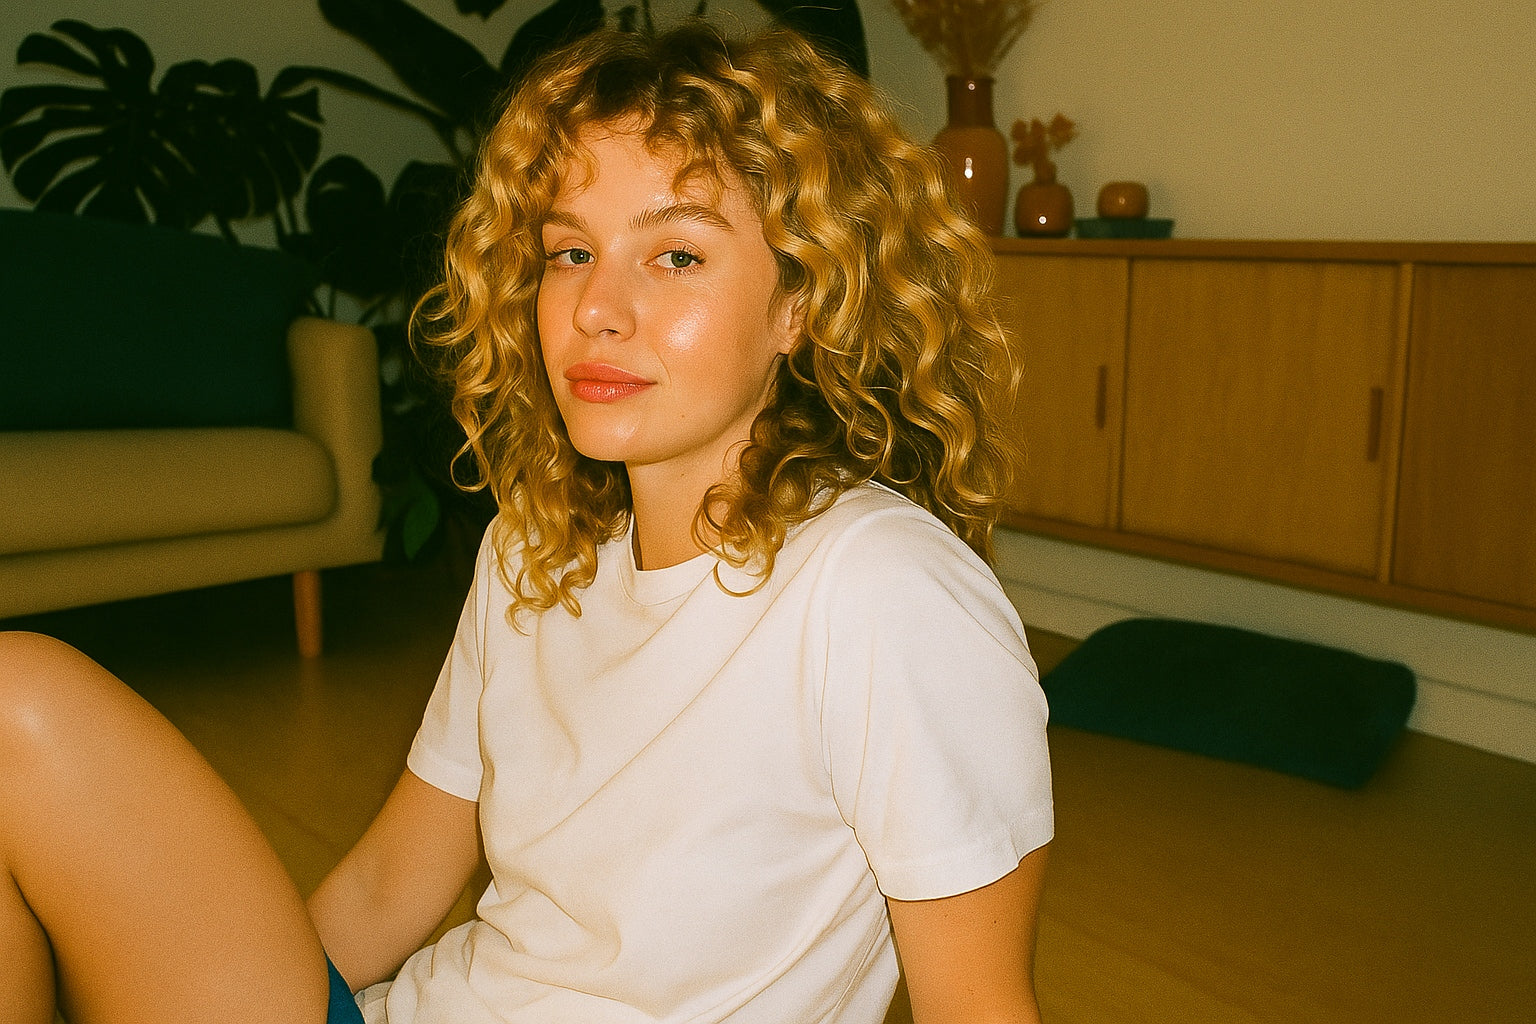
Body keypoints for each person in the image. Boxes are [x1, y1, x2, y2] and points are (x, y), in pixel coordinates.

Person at [0, 23, 1052, 1024]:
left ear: (800, 304)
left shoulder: (883, 590)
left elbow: (978, 1004)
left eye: (677, 255)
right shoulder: (535, 547)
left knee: (16, 699)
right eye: (569, 252)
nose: (597, 308)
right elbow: (389, 885)